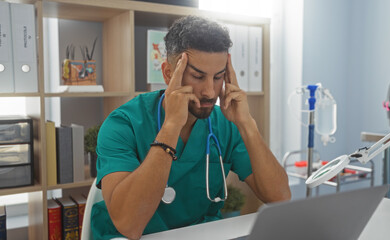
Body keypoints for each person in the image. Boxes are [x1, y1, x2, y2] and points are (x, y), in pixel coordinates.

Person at [91, 15, 291, 239]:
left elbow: (280, 198)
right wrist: (171, 126)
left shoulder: (225, 124)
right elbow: (129, 225)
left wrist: (248, 125)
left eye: (218, 77)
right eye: (197, 76)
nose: (209, 91)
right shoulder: (123, 124)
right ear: (168, 74)